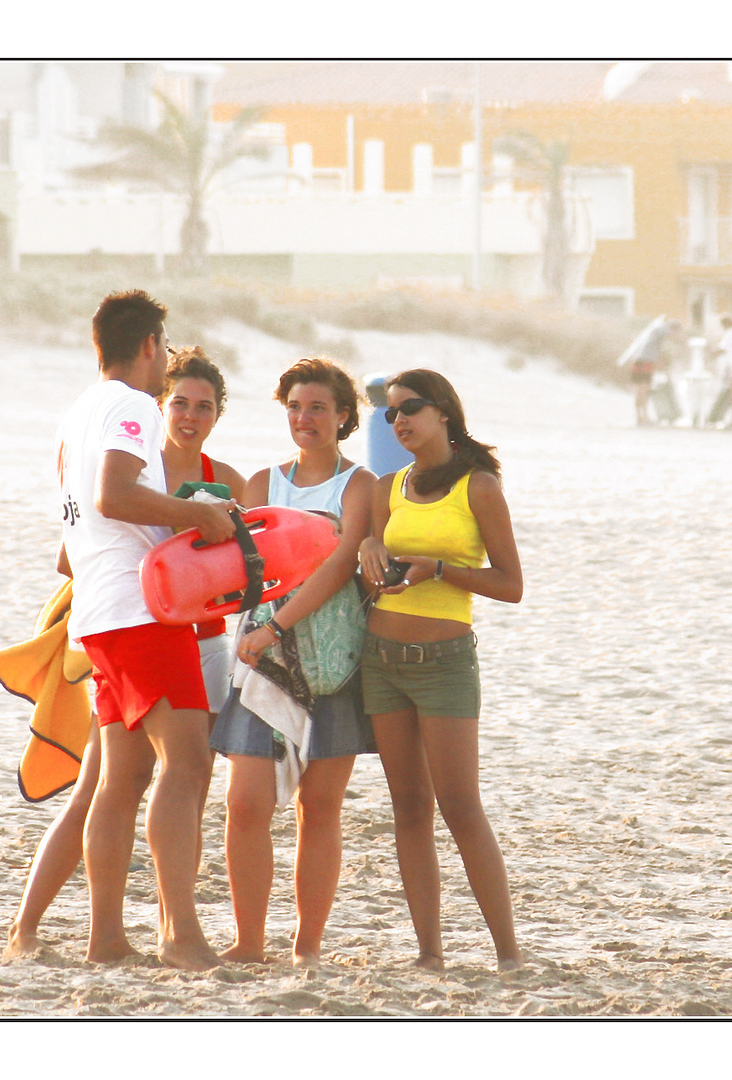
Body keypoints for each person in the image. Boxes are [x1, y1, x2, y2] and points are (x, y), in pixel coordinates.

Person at [7, 345, 245, 959]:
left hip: (154, 631)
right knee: (170, 772)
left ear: (219, 414)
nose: (190, 416)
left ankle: (117, 936)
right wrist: (188, 524)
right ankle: (174, 936)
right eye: (181, 403)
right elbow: (95, 523)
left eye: (204, 406)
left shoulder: (221, 475)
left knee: (137, 780)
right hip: (140, 620)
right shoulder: (136, 441)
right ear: (160, 398)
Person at [210, 357, 378, 969]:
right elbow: (241, 572)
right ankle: (249, 942)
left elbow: (339, 568)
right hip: (263, 661)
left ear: (342, 417)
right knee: (246, 804)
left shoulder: (359, 486)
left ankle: (307, 947)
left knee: (319, 807)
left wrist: (280, 622)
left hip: (333, 663)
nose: (304, 419)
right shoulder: (261, 483)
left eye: (318, 408)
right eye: (295, 407)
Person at [355, 369, 525, 972]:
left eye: (411, 409)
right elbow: (374, 562)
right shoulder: (387, 487)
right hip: (382, 660)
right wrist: (367, 551)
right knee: (408, 808)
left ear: (444, 412)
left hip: (445, 663)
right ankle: (429, 952)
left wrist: (441, 569)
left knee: (460, 805)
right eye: (391, 413)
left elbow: (512, 585)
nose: (398, 420)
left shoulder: (478, 487)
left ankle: (508, 953)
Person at [620, 317, 682, 426]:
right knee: (644, 391)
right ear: (673, 328)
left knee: (639, 390)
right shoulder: (661, 330)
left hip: (636, 362)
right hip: (646, 363)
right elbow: (669, 336)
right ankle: (645, 417)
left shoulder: (653, 331)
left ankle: (639, 417)